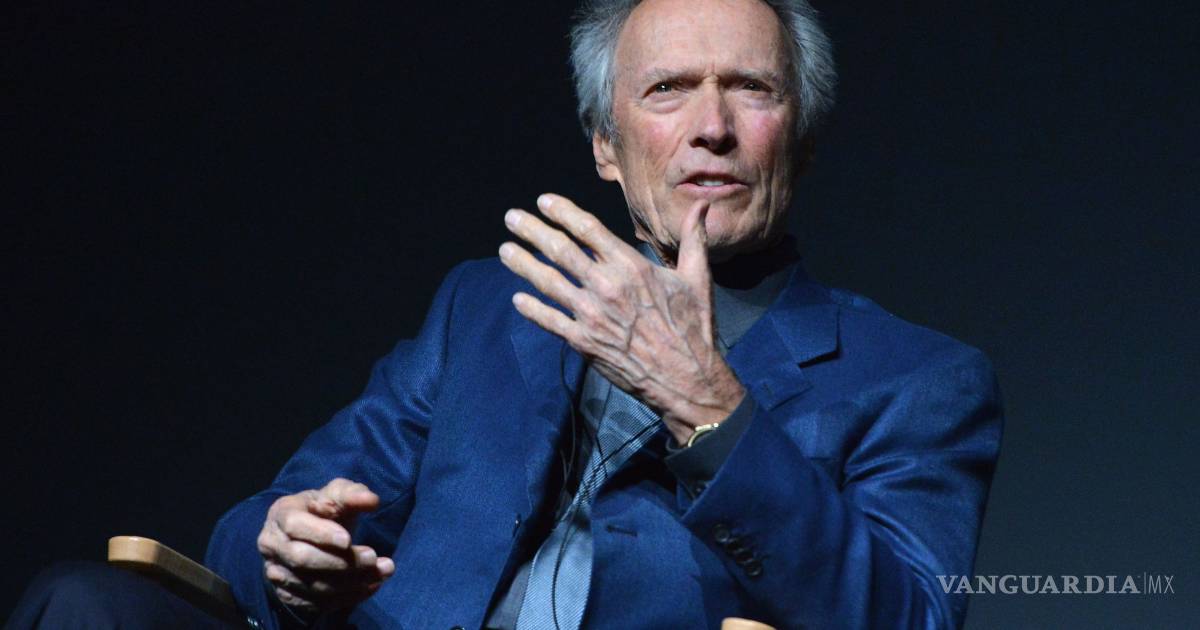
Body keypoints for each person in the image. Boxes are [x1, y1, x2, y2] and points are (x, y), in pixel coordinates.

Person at [9, 0, 1001, 628]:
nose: (711, 127)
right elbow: (263, 524)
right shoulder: (488, 308)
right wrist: (285, 551)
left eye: (750, 89)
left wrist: (709, 403)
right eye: (668, 90)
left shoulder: (916, 379)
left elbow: (909, 616)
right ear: (606, 146)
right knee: (84, 603)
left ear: (804, 140)